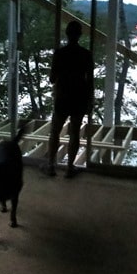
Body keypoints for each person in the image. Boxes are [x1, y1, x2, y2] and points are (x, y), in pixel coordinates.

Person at [41, 20, 94, 178]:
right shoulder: (86, 54)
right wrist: (91, 100)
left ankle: (51, 166)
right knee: (75, 133)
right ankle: (70, 167)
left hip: (63, 97)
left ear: (67, 34)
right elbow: (90, 80)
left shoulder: (60, 54)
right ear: (80, 35)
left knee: (55, 132)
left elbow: (51, 79)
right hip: (79, 97)